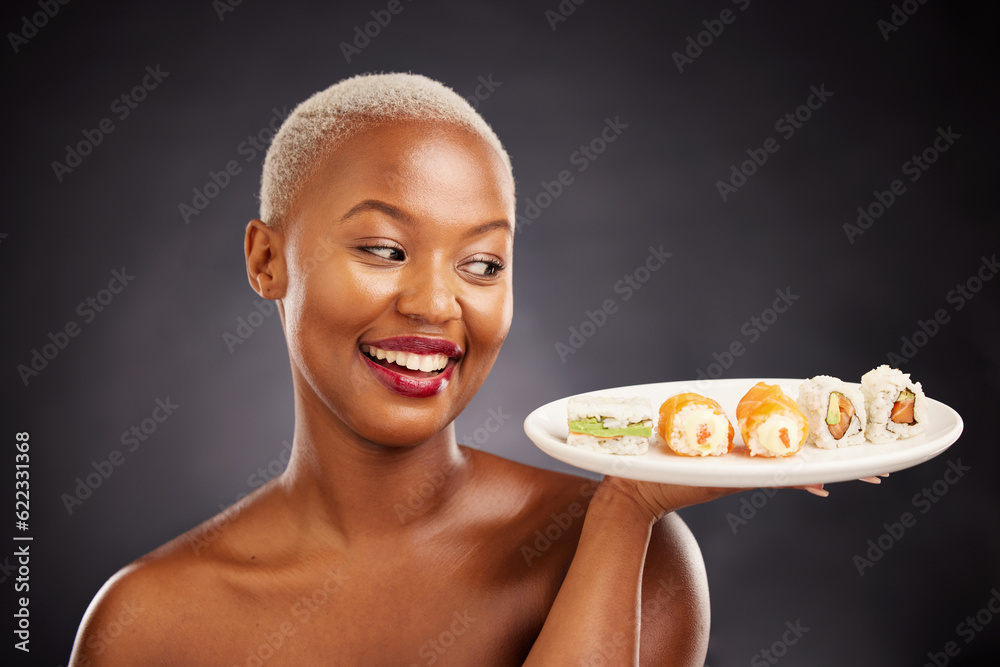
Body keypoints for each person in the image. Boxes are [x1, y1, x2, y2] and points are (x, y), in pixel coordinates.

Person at [68, 72, 829, 666]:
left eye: (482, 262)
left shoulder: (628, 556)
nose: (437, 303)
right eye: (384, 249)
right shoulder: (147, 624)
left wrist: (626, 509)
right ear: (268, 260)